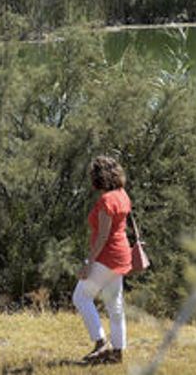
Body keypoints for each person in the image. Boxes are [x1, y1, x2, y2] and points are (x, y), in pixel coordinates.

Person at [73, 156, 133, 365]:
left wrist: (88, 263)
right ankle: (117, 352)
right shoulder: (122, 195)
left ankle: (101, 343)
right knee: (114, 305)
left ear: (98, 177)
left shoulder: (107, 200)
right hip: (121, 255)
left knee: (80, 297)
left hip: (107, 256)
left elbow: (102, 237)